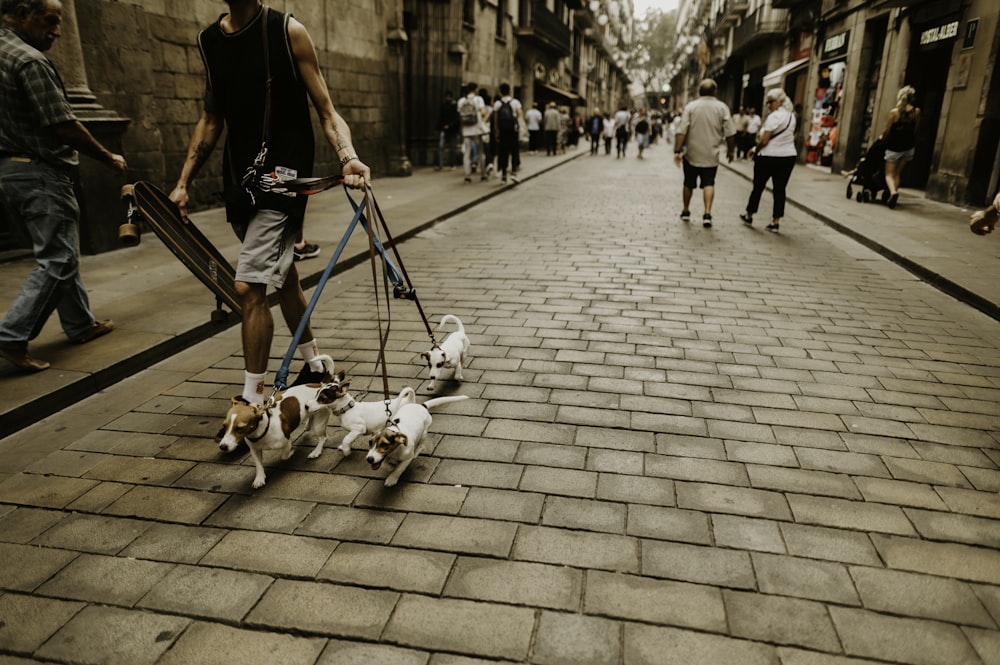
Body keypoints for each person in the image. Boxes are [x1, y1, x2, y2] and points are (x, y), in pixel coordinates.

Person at [169, 0, 370, 404]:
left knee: (250, 286)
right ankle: (315, 367)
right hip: (240, 180)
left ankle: (253, 399)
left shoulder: (288, 31)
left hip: (283, 179)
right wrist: (182, 182)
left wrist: (348, 158)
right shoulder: (209, 41)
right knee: (285, 274)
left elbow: (327, 111)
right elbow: (211, 118)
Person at [0, 0, 127, 372]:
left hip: (9, 171)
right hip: (39, 170)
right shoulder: (30, 60)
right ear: (24, 13)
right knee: (58, 259)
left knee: (60, 249)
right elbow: (62, 123)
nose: (57, 31)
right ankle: (11, 336)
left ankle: (79, 324)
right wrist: (107, 156)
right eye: (51, 21)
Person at [673, 79, 736, 228]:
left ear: (699, 92)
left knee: (688, 183)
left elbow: (682, 130)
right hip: (711, 154)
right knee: (709, 183)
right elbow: (730, 132)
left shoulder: (691, 107)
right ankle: (707, 214)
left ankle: (686, 210)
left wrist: (677, 149)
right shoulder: (722, 108)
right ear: (715, 92)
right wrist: (731, 150)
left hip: (691, 153)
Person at [739, 88, 797, 233]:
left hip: (768, 156)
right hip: (788, 156)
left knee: (758, 186)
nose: (768, 105)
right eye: (767, 102)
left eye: (770, 102)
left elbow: (764, 140)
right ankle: (775, 222)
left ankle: (749, 214)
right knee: (780, 189)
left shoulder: (773, 117)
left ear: (780, 101)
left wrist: (755, 150)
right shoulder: (792, 116)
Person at [881, 85, 920, 209]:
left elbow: (887, 131)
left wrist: (882, 138)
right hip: (908, 147)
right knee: (898, 173)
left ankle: (893, 192)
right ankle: (893, 197)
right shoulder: (917, 111)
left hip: (894, 147)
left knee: (889, 174)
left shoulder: (894, 112)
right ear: (911, 98)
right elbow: (916, 129)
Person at [492, 82, 522, 184]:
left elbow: (495, 120)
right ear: (509, 90)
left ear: (501, 92)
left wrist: (496, 132)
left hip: (502, 131)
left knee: (503, 152)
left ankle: (503, 175)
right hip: (513, 130)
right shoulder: (515, 102)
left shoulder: (497, 103)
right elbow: (520, 116)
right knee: (514, 151)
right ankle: (514, 172)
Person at [457, 82, 486, 183]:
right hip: (476, 129)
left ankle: (467, 175)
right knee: (480, 152)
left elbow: (460, 115)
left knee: (467, 153)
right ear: (476, 89)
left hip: (466, 129)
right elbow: (483, 112)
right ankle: (483, 174)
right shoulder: (478, 99)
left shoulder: (461, 101)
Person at [436, 89, 460, 170]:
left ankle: (452, 164)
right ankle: (440, 164)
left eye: (449, 97)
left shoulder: (454, 106)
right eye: (446, 97)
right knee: (441, 146)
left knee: (452, 147)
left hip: (451, 129)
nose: (447, 98)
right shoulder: (443, 106)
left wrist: (449, 125)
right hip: (444, 128)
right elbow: (440, 117)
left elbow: (456, 119)